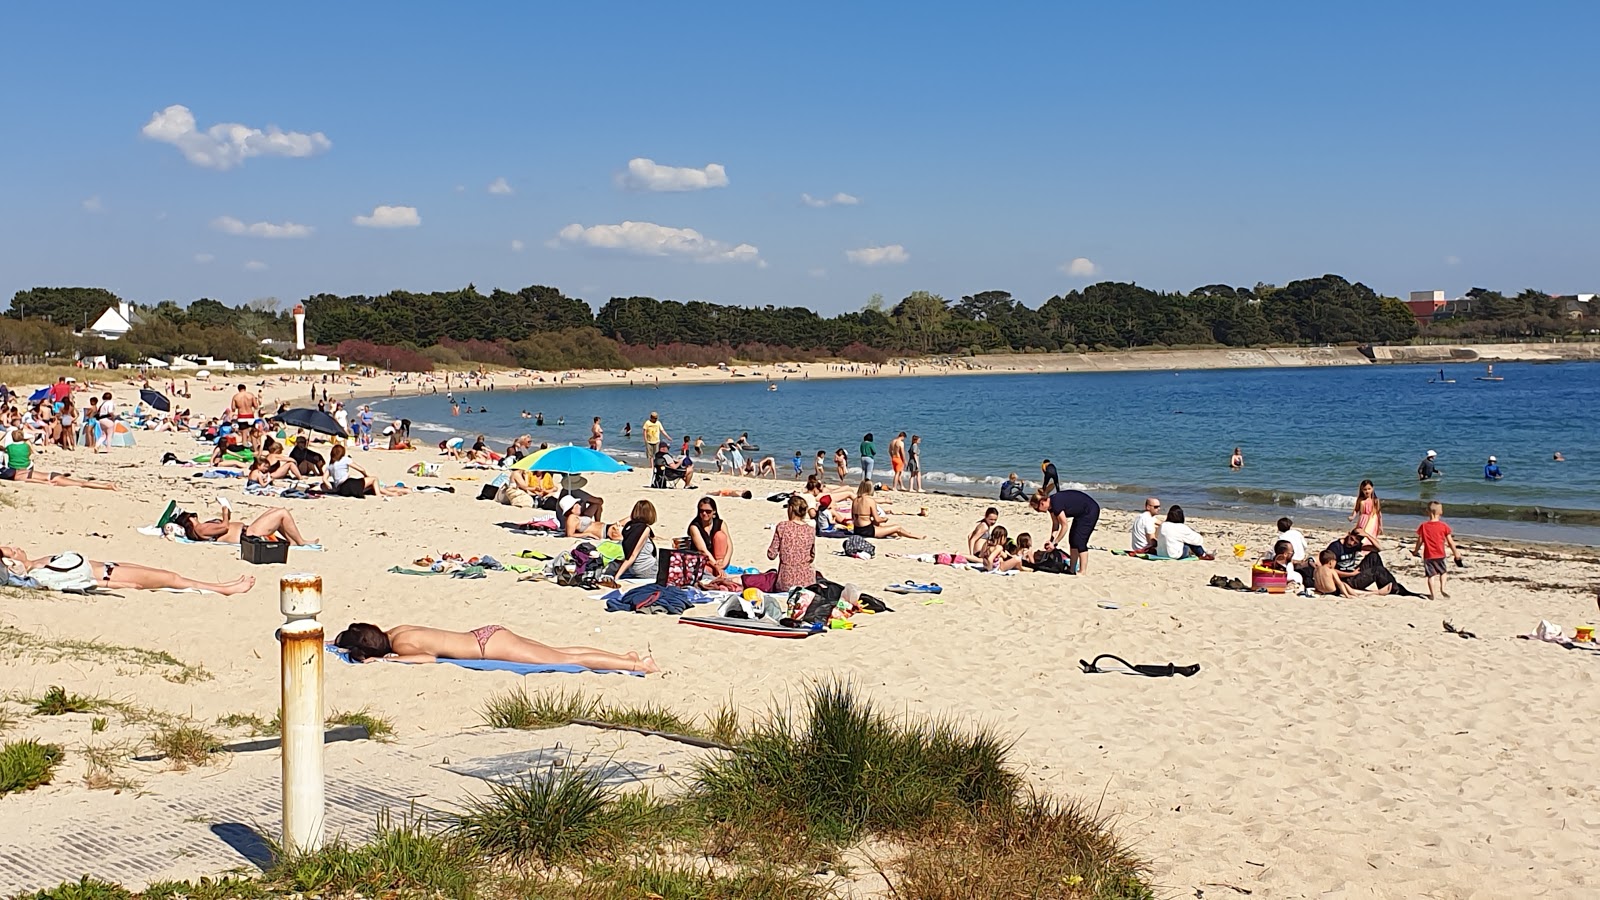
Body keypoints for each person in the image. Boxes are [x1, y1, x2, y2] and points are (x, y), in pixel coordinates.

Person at [333, 622, 657, 672]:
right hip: (486, 633)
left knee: (565, 660)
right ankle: (623, 657)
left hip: (487, 648)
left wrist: (391, 661)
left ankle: (637, 666)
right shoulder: (398, 629)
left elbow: (428, 658)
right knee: (562, 650)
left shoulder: (402, 644)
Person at [1, 546, 256, 595]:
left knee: (168, 574)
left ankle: (223, 586)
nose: (16, 547)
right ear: (14, 565)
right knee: (172, 579)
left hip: (114, 567)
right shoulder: (39, 573)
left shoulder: (38, 564)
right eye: (13, 552)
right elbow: (80, 583)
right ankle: (224, 589)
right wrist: (121, 586)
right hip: (111, 576)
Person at [1, 429, 117, 489]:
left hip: (49, 478)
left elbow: (29, 480)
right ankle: (107, 485)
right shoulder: (26, 449)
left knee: (80, 484)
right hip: (50, 474)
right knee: (81, 483)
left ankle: (107, 486)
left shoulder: (18, 474)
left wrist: (46, 483)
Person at [1029, 488, 1098, 574]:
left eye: (1037, 509)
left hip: (1089, 511)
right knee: (1072, 540)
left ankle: (1082, 571)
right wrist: (1051, 541)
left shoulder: (1056, 504)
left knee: (1080, 541)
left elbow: (1064, 526)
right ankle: (1072, 569)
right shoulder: (1051, 507)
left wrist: (1055, 543)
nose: (1038, 511)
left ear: (1042, 503)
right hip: (1080, 514)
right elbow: (1055, 525)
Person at [171, 505, 316, 546]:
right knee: (282, 513)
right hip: (249, 534)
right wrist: (224, 512)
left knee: (274, 511)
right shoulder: (200, 528)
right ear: (189, 519)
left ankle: (292, 540)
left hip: (248, 531)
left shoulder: (201, 527)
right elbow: (225, 527)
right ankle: (301, 541)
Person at [1325, 528, 1412, 596]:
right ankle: (1392, 587)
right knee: (1377, 570)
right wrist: (1351, 574)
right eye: (1351, 539)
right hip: (1346, 580)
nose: (1351, 543)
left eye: (1355, 542)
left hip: (1354, 573)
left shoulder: (1355, 546)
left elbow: (1378, 549)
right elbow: (1329, 570)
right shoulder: (1335, 547)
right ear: (1348, 534)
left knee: (1374, 556)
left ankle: (1387, 585)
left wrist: (1367, 535)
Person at [1413, 500, 1463, 600]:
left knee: (1430, 576)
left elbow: (1420, 541)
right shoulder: (1444, 526)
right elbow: (1450, 542)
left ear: (1428, 512)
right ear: (1440, 512)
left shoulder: (1424, 526)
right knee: (1443, 572)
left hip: (1428, 555)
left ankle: (1432, 594)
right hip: (1440, 554)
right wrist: (1456, 553)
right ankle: (1442, 588)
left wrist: (1415, 551)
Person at [767, 494, 817, 590]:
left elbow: (771, 554)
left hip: (787, 581)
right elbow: (812, 556)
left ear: (790, 509)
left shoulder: (782, 526)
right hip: (807, 582)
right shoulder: (810, 530)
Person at [325, 444, 407, 498]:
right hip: (349, 484)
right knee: (374, 479)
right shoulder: (345, 459)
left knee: (372, 486)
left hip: (342, 490)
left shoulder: (330, 465)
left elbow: (324, 478)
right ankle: (380, 495)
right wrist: (365, 475)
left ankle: (393, 493)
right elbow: (361, 469)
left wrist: (330, 485)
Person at [852, 480, 923, 539]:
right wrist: (884, 519)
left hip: (857, 529)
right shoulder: (870, 501)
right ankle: (915, 536)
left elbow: (853, 518)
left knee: (890, 531)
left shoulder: (855, 500)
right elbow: (877, 519)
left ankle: (899, 534)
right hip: (868, 531)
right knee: (897, 527)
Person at [609, 499, 659, 581]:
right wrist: (617, 576)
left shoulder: (628, 527)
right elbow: (632, 554)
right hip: (646, 569)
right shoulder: (644, 529)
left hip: (633, 569)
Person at [688, 497, 735, 577]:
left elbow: (729, 546)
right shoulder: (694, 527)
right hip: (704, 560)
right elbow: (703, 550)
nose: (704, 514)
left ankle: (720, 571)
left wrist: (723, 563)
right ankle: (718, 573)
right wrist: (716, 566)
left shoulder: (720, 523)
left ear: (714, 511)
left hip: (719, 560)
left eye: (708, 511)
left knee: (720, 536)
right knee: (707, 571)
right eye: (701, 511)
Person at [1348, 480, 1383, 550]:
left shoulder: (1375, 500)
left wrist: (1380, 525)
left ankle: (1369, 546)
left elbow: (1379, 513)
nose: (1367, 491)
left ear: (1372, 489)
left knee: (1370, 533)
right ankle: (1359, 546)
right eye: (1365, 489)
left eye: (1369, 489)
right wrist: (1353, 516)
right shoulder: (1360, 500)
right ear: (1362, 490)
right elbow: (1356, 509)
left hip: (1373, 520)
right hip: (1363, 519)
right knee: (1360, 533)